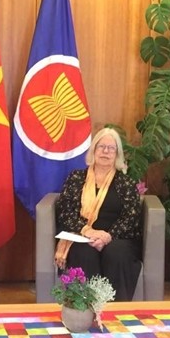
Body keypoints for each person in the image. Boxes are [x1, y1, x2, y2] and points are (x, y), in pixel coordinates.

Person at [54, 127, 142, 301]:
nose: (106, 151)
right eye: (101, 147)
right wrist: (88, 231)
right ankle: (84, 308)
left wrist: (107, 237)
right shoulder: (76, 178)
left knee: (117, 253)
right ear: (94, 150)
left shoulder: (126, 183)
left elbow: (130, 217)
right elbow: (65, 212)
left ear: (117, 154)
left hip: (117, 237)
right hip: (81, 235)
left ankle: (116, 310)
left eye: (111, 148)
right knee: (84, 252)